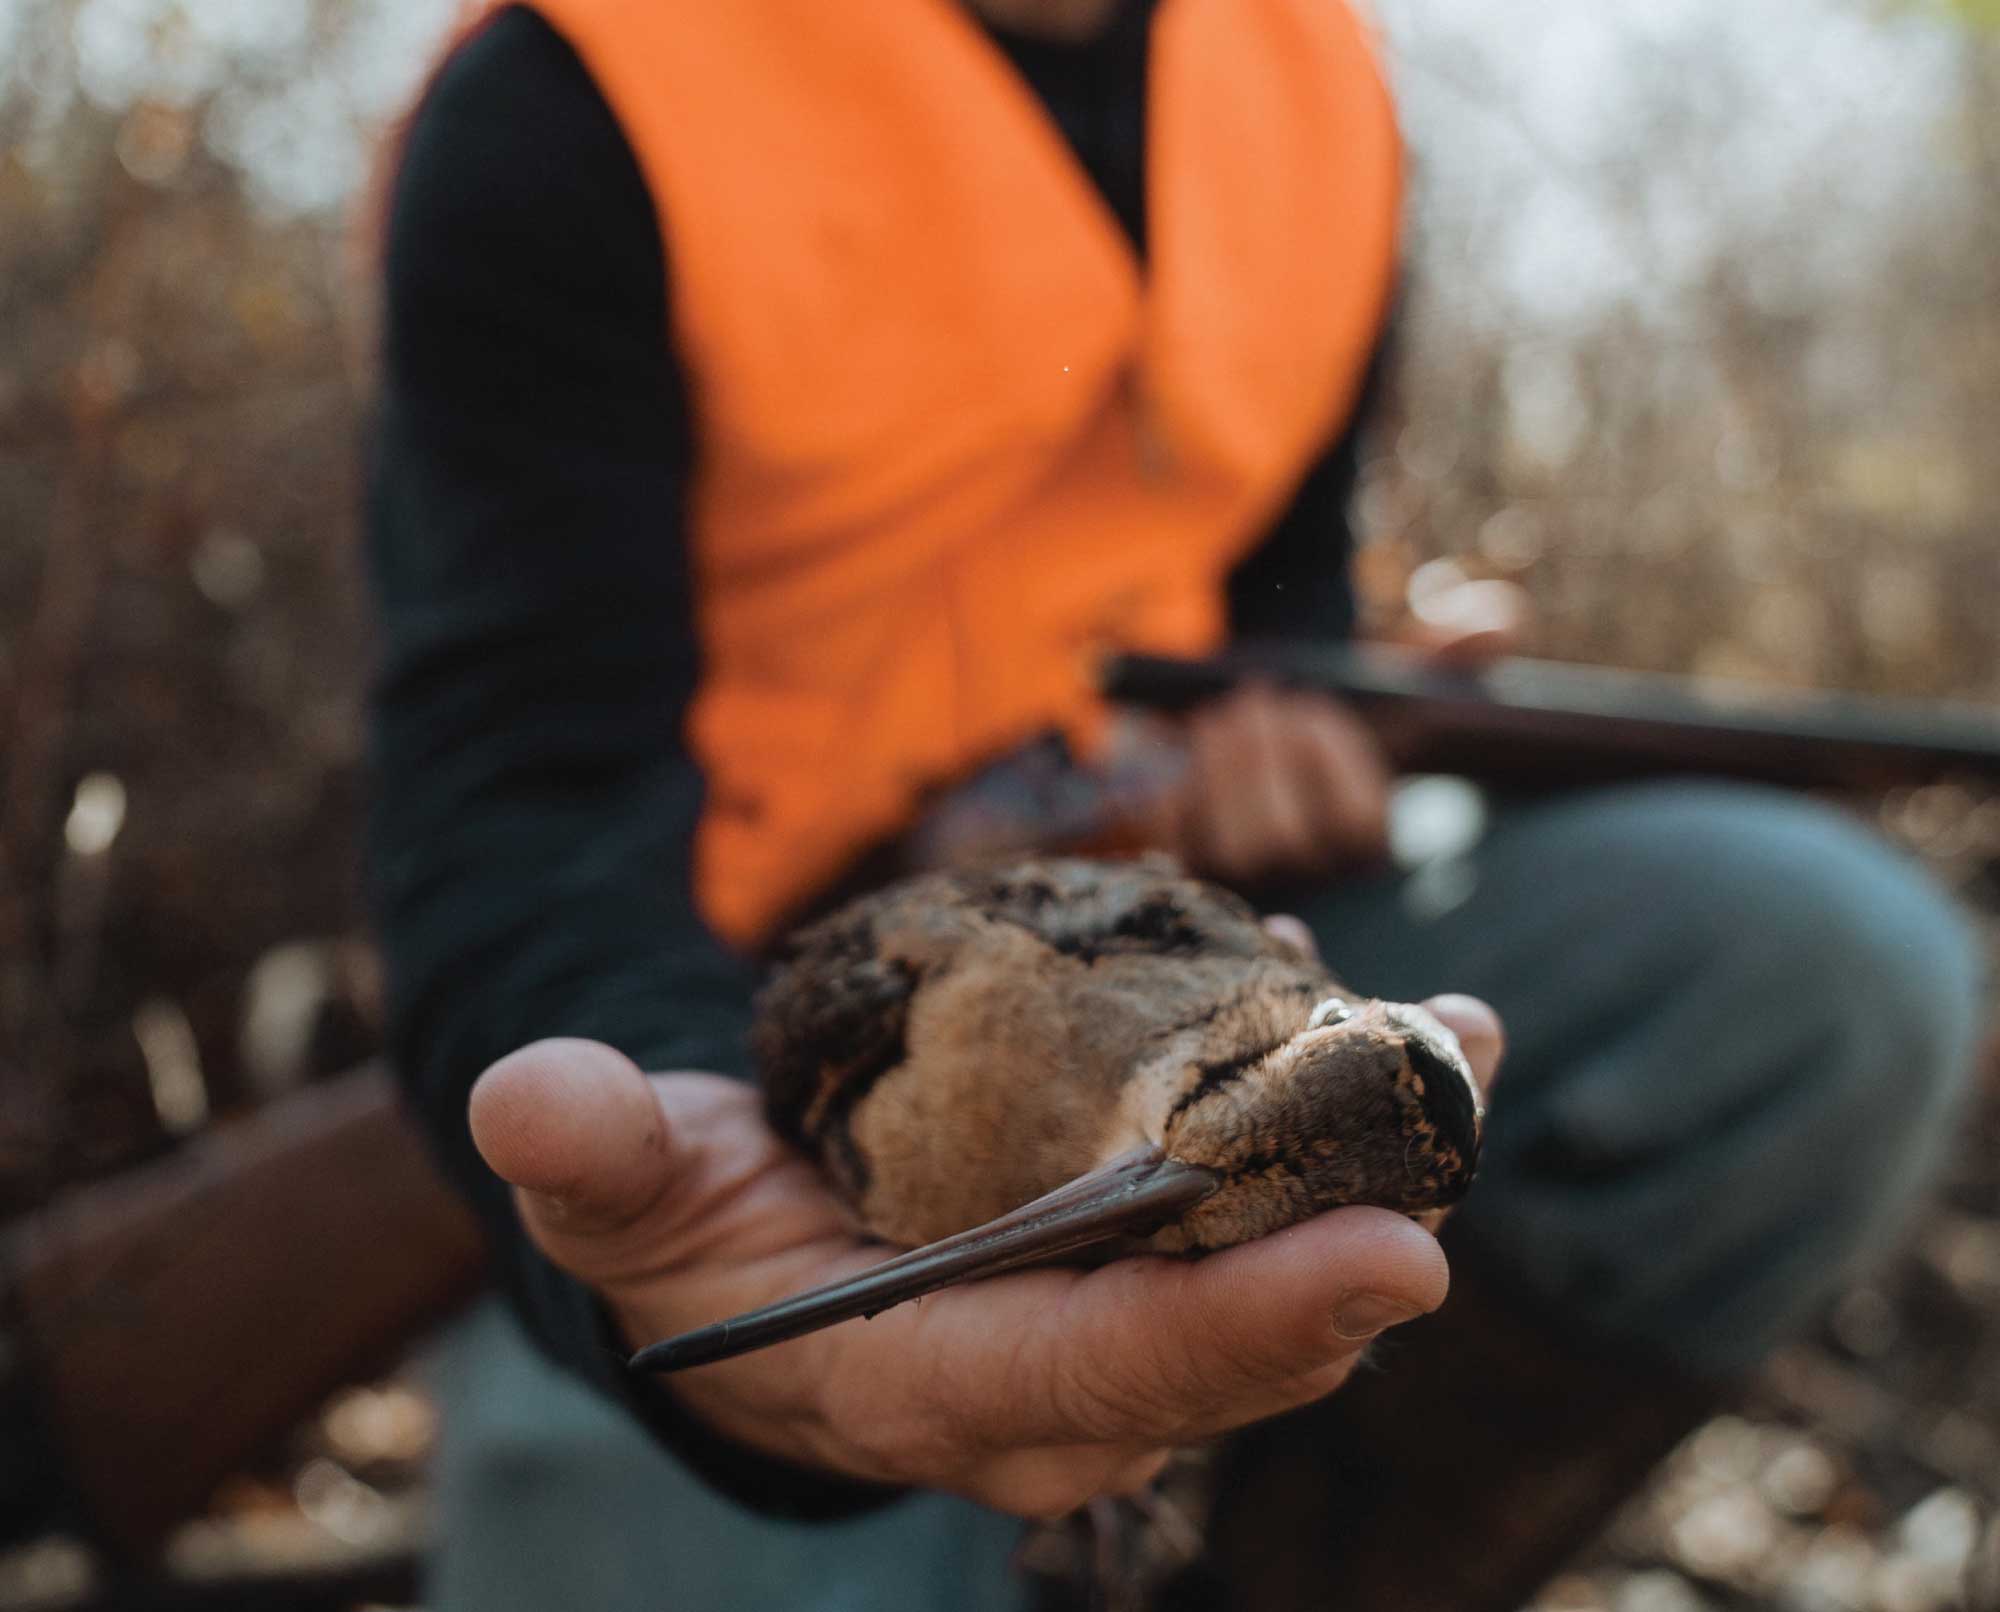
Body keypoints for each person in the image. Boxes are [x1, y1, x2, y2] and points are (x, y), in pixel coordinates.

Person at [363, 1, 1985, 1607]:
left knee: (1828, 971)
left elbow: (1270, 597)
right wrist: (663, 1165)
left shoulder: (1315, 74)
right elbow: (525, 798)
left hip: (1179, 944)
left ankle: (1235, 1550)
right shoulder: (579, 86)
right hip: (726, 1022)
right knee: (741, 1495)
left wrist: (1298, 742)